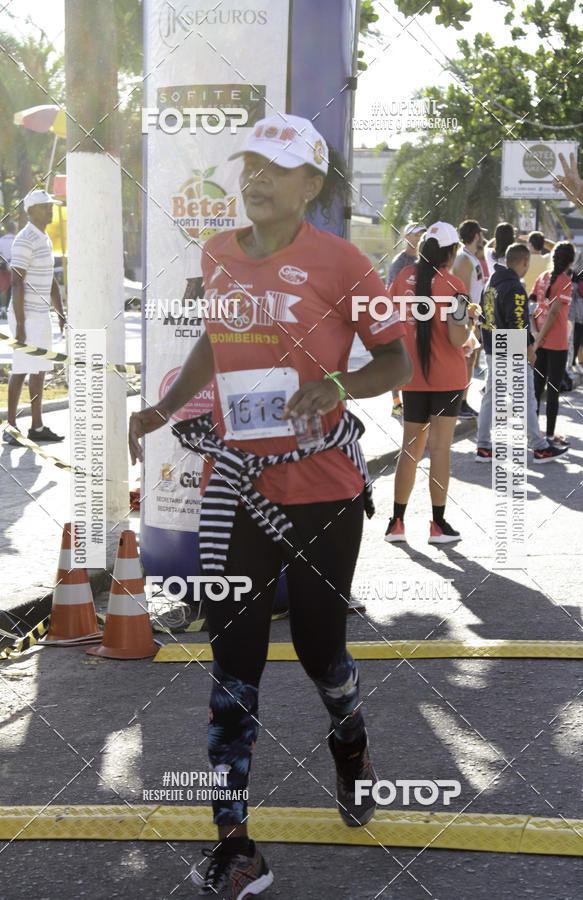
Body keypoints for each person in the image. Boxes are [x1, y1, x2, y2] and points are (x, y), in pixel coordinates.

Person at [129, 114, 413, 898]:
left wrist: (337, 385)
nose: (255, 179)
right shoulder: (218, 253)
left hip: (324, 491)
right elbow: (214, 344)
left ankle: (350, 743)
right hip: (239, 488)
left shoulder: (343, 262)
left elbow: (397, 359)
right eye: (249, 165)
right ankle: (236, 844)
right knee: (233, 664)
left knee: (322, 653)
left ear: (310, 185)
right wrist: (162, 409)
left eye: (276, 169)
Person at [385, 221, 472, 545]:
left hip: (412, 377)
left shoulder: (402, 278)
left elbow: (388, 321)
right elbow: (457, 338)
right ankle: (437, 526)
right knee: (439, 449)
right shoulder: (455, 285)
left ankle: (396, 524)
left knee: (410, 449)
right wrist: (470, 325)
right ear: (451, 251)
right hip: (447, 378)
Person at [475, 243, 568, 464]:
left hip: (493, 348)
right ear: (525, 262)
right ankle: (539, 447)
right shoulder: (515, 287)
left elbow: (481, 319)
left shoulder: (490, 283)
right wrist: (529, 353)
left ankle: (483, 446)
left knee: (491, 397)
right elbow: (517, 325)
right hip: (512, 351)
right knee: (527, 399)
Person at [3, 190, 65, 446]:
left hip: (40, 314)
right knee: (21, 369)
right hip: (25, 315)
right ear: (31, 211)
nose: (50, 210)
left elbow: (50, 279)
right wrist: (20, 325)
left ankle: (37, 427)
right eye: (45, 207)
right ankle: (11, 427)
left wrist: (60, 312)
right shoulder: (24, 239)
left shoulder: (45, 238)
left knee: (39, 369)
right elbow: (17, 282)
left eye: (50, 206)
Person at [531, 241, 576, 447]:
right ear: (571, 261)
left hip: (540, 342)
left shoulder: (542, 277)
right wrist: (540, 337)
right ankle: (549, 436)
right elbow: (554, 313)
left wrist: (536, 335)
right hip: (556, 343)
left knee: (536, 389)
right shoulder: (565, 281)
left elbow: (532, 307)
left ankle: (534, 434)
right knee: (552, 391)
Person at [387, 222, 426, 420]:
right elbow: (389, 292)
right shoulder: (399, 262)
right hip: (400, 320)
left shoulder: (424, 260)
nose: (418, 237)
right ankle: (396, 403)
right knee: (398, 363)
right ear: (406, 237)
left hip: (419, 319)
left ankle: (414, 400)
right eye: (415, 234)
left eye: (421, 234)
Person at [453, 220, 487, 418]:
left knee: (470, 359)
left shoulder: (470, 257)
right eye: (481, 234)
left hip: (473, 318)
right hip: (466, 319)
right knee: (465, 359)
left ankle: (463, 401)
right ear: (476, 236)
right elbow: (462, 293)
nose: (482, 238)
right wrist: (469, 322)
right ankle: (459, 403)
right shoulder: (464, 259)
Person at [523, 231, 552, 295]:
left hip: (525, 297)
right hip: (541, 298)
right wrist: (544, 242)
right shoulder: (548, 259)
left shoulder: (523, 260)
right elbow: (557, 248)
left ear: (530, 245)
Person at [0, 221, 16, 318]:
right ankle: (14, 309)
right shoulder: (17, 239)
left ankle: (3, 309)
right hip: (16, 265)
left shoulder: (1, 240)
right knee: (16, 288)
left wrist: (5, 260)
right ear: (14, 229)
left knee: (3, 289)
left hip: (3, 266)